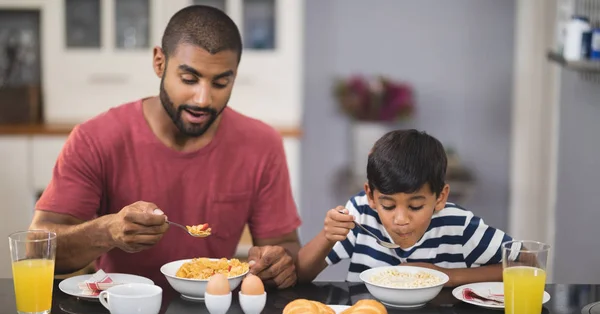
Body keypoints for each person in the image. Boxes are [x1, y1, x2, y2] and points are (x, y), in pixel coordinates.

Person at [30, 5, 301, 289]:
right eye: (189, 79)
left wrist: (279, 262)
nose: (203, 99)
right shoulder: (95, 138)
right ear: (160, 62)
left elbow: (284, 247)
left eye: (221, 82)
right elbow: (37, 247)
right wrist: (108, 231)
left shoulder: (261, 144)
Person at [297, 129, 516, 287]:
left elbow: (527, 263)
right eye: (388, 205)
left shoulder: (458, 225)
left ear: (440, 197)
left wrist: (447, 276)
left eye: (416, 206)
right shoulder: (360, 214)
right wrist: (327, 236)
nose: (401, 219)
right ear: (371, 196)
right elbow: (300, 274)